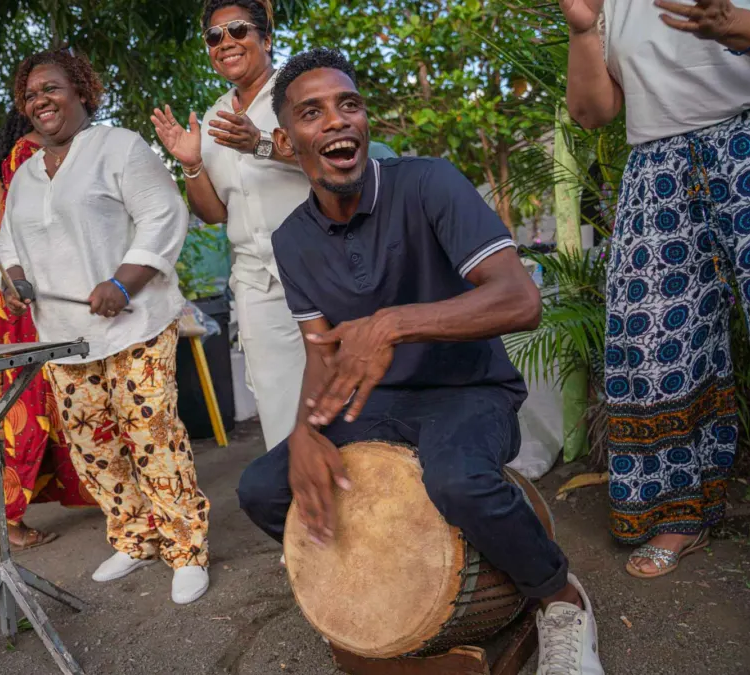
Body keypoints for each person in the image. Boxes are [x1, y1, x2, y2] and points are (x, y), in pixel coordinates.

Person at [235, 50, 604, 674]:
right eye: (312, 112)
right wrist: (303, 433)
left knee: (457, 480)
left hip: (469, 390)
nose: (337, 121)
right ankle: (387, 599)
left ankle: (560, 598)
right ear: (286, 138)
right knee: (264, 491)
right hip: (373, 406)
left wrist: (394, 324)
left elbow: (521, 300)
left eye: (348, 104)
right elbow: (320, 355)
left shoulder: (428, 183)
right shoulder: (290, 239)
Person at [0, 49, 211, 605]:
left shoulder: (119, 147)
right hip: (63, 337)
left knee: (152, 435)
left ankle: (186, 548)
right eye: (30, 94)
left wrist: (122, 281)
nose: (39, 100)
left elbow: (164, 214)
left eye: (52, 88)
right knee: (93, 447)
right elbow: (8, 244)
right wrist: (14, 279)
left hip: (135, 324)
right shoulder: (23, 176)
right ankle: (135, 537)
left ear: (83, 91)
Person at [153, 0, 396, 452]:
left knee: (352, 396)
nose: (226, 42)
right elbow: (216, 213)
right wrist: (190, 166)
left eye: (239, 30)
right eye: (214, 36)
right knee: (281, 405)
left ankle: (373, 501)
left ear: (266, 39)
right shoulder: (212, 117)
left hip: (325, 266)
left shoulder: (301, 93)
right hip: (257, 282)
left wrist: (260, 144)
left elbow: (348, 158)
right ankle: (298, 511)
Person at [562, 0, 750, 578]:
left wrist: (737, 26)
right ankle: (679, 515)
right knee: (650, 346)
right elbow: (591, 111)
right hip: (656, 166)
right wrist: (582, 25)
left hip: (745, 142)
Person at [0, 140, 92, 555]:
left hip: (17, 306)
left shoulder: (18, 195)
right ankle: (3, 506)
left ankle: (15, 506)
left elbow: (18, 243)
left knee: (37, 397)